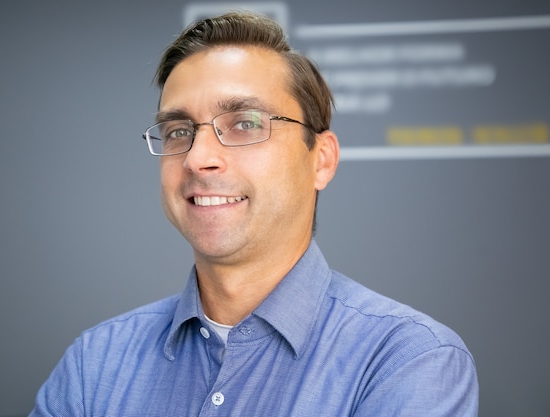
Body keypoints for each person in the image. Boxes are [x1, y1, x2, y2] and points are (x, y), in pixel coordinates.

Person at [29, 11, 478, 416]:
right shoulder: (96, 363)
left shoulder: (407, 360)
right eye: (178, 131)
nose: (197, 158)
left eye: (244, 124)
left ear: (320, 159)